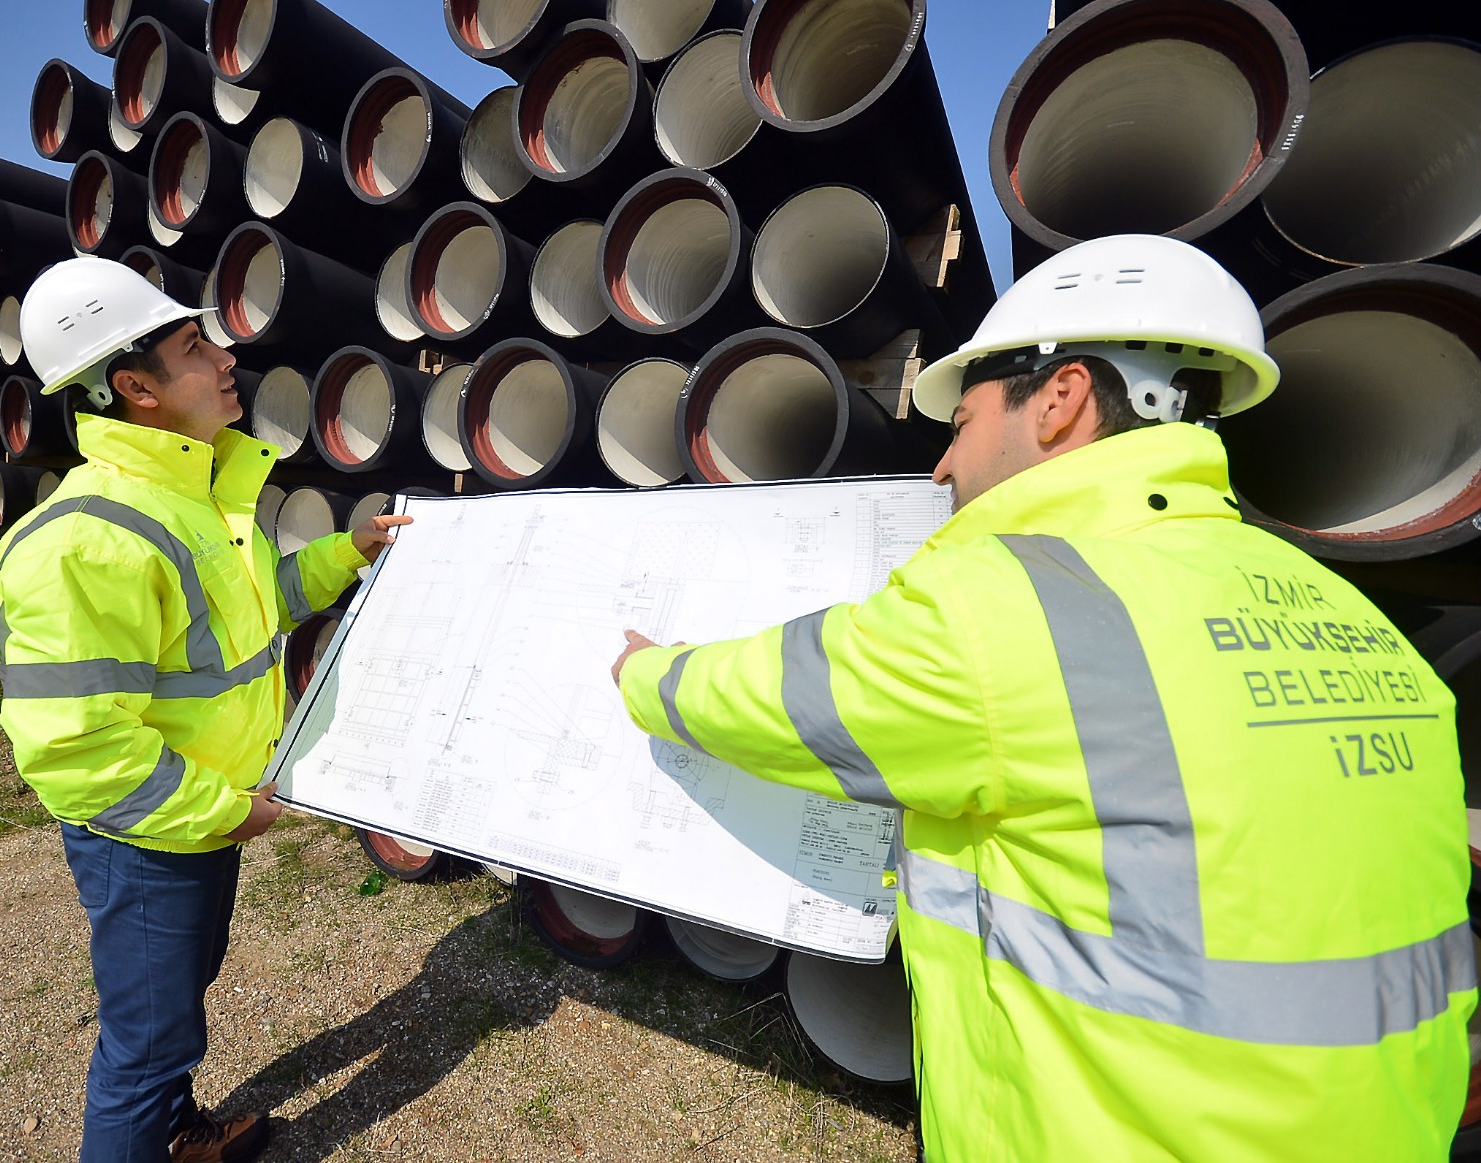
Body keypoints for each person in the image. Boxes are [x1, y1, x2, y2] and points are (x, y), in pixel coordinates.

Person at [611, 235, 1474, 1161]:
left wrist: (646, 674)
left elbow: (792, 698)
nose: (942, 466)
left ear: (1058, 401)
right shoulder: (1347, 613)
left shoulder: (1017, 604)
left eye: (965, 423)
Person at [0, 257, 410, 1163]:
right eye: (193, 345)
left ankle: (176, 1135)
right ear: (135, 387)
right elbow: (80, 751)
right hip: (148, 834)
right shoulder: (85, 540)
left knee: (178, 1000)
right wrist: (231, 811)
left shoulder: (196, 497)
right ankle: (153, 1125)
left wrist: (348, 552)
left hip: (202, 815)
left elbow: (255, 613)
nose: (224, 359)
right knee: (145, 1048)